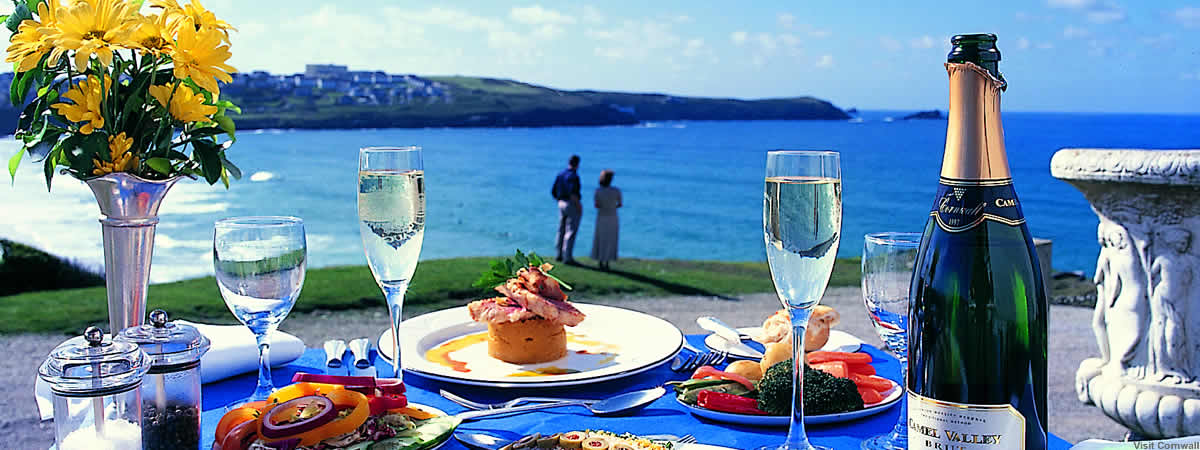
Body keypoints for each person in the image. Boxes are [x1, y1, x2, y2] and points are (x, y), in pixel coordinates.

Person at [552, 155, 582, 264]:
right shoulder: (573, 176)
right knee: (570, 231)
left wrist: (559, 200)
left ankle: (558, 254)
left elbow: (554, 191)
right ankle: (567, 257)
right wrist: (579, 206)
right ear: (577, 164)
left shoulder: (560, 174)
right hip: (570, 203)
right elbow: (573, 193)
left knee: (561, 229)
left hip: (561, 202)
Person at [591, 169, 622, 270]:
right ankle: (607, 262)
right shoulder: (616, 191)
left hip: (601, 216)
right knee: (610, 239)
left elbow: (596, 205)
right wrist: (612, 207)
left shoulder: (598, 191)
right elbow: (620, 204)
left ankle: (600, 260)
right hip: (613, 216)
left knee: (601, 238)